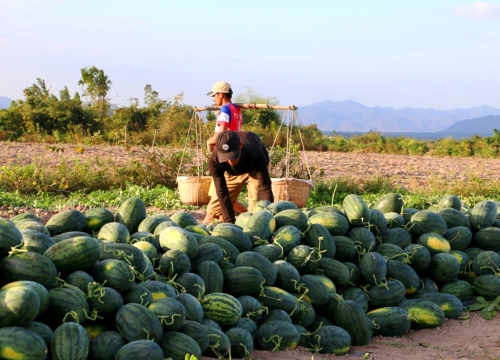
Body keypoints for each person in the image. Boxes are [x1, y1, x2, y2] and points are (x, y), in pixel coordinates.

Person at [207, 130, 274, 224]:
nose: (230, 161)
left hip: (254, 171)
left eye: (233, 157)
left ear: (240, 145)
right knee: (213, 210)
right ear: (217, 149)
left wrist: (268, 217)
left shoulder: (255, 153)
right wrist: (230, 222)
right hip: (231, 173)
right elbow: (222, 192)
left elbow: (265, 186)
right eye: (227, 158)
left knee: (257, 210)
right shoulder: (214, 161)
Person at [204, 81, 246, 223]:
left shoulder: (226, 110)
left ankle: (202, 235)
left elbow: (221, 136)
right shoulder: (237, 110)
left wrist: (210, 142)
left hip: (224, 157)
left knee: (213, 209)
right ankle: (244, 215)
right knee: (223, 200)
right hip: (235, 155)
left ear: (221, 94)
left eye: (215, 95)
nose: (214, 99)